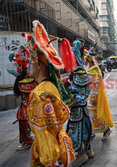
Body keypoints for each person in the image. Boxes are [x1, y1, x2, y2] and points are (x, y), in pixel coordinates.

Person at [26, 20, 75, 166]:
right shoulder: (51, 86)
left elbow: (45, 136)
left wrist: (49, 162)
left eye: (31, 60)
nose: (28, 64)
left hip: (49, 157)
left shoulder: (40, 93)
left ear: (39, 65)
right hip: (58, 149)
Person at [66, 40, 93, 167]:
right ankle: (87, 150)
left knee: (78, 131)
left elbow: (82, 92)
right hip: (80, 107)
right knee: (85, 128)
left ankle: (81, 154)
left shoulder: (80, 73)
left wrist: (70, 92)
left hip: (78, 108)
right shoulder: (78, 72)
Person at [7, 33, 37, 151]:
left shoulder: (26, 81)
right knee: (23, 117)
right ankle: (28, 139)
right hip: (28, 104)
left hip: (29, 105)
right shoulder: (25, 79)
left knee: (23, 117)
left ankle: (28, 140)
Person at [84, 47, 114, 141]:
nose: (84, 61)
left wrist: (93, 98)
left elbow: (96, 87)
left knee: (96, 114)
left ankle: (106, 130)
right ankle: (92, 131)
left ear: (89, 60)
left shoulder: (94, 71)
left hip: (93, 97)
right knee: (91, 114)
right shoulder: (90, 69)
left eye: (85, 59)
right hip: (89, 96)